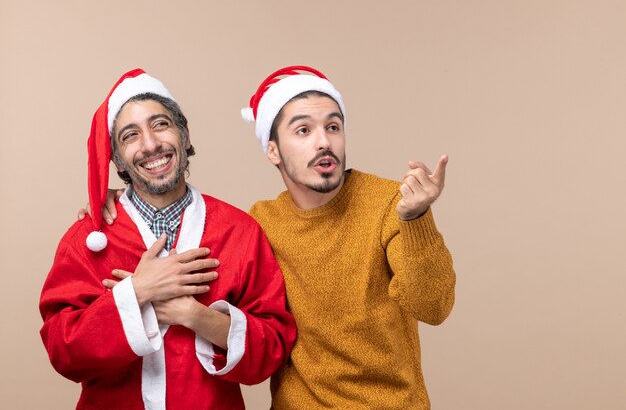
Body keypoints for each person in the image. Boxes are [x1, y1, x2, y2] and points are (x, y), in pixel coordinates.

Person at [93, 65, 456, 409]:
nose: (323, 143)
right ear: (272, 150)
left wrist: (417, 219)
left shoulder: (392, 203)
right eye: (303, 131)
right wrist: (119, 202)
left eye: (333, 127)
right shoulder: (260, 223)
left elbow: (433, 307)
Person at [41, 68, 296, 410]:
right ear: (117, 159)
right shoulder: (89, 236)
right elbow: (63, 351)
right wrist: (140, 291)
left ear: (185, 135)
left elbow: (272, 350)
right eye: (130, 135)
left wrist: (192, 314)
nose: (150, 144)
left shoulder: (239, 231)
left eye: (160, 124)